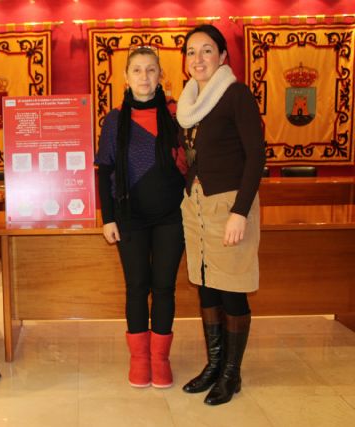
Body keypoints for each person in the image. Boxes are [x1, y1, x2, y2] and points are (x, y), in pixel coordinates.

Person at [176, 24, 265, 405]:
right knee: (207, 286)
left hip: (229, 205)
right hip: (197, 206)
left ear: (223, 56)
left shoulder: (235, 95)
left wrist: (240, 212)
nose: (198, 59)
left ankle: (231, 374)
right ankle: (214, 365)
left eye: (207, 50)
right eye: (191, 52)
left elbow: (256, 156)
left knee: (232, 288)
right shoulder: (189, 102)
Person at [95, 46, 187, 389]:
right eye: (137, 70)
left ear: (160, 75)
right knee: (136, 287)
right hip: (129, 217)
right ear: (126, 76)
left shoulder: (177, 114)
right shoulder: (114, 120)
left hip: (171, 216)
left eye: (151, 70)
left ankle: (160, 359)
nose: (144, 77)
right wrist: (108, 218)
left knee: (164, 287)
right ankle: (139, 360)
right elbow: (105, 170)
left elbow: (191, 163)